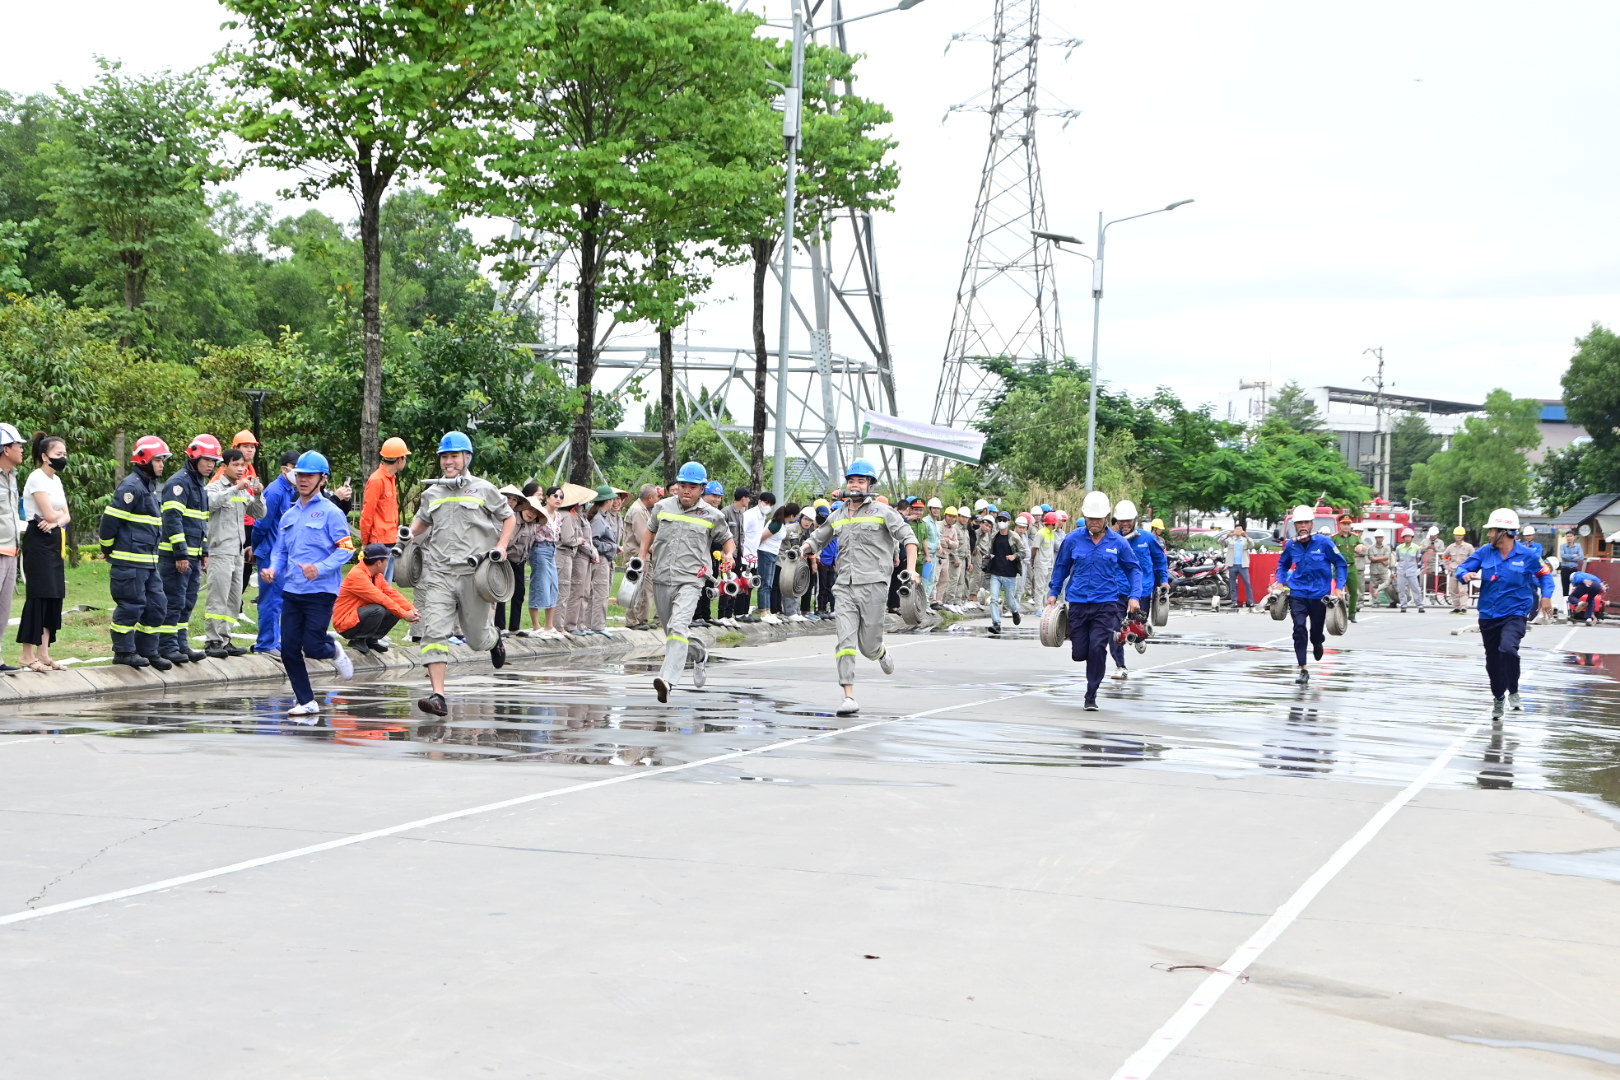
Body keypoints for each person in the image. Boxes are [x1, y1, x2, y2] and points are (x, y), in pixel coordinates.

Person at [408, 430, 516, 716]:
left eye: (454, 455)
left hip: (474, 573)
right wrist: (406, 535)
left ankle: (494, 640)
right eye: (444, 456)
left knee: (475, 639)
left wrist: (502, 546)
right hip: (439, 573)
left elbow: (509, 517)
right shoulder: (432, 493)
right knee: (433, 633)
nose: (448, 461)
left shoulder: (484, 489)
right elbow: (420, 523)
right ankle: (438, 696)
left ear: (467, 457)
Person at [801, 459, 916, 716]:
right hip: (844, 586)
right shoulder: (838, 515)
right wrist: (802, 549)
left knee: (868, 645)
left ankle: (880, 651)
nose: (855, 485)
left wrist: (913, 569)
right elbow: (817, 539)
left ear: (870, 485)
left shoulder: (883, 512)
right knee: (845, 640)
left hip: (874, 584)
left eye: (861, 481)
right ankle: (848, 695)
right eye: (851, 480)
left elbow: (909, 538)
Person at [264, 451, 356, 716]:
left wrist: (320, 568)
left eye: (309, 476)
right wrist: (272, 568)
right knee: (289, 648)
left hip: (321, 591)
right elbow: (280, 550)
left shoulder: (331, 512)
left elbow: (346, 549)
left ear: (322, 479)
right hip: (292, 590)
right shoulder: (289, 515)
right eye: (300, 475)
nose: (303, 480)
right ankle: (306, 701)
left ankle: (334, 649)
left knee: (313, 645)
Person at [637, 461, 734, 703]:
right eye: (683, 485)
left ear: (702, 489)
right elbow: (650, 530)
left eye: (692, 487)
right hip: (662, 577)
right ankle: (700, 654)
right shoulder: (662, 507)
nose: (686, 491)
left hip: (692, 580)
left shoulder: (713, 515)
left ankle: (667, 681)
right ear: (677, 486)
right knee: (672, 632)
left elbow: (727, 540)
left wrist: (729, 555)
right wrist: (641, 556)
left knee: (678, 628)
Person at [1452, 508, 1554, 718]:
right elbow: (1461, 568)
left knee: (1508, 649)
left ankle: (1514, 690)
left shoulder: (1528, 555)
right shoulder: (1485, 553)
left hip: (1516, 612)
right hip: (1489, 614)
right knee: (1493, 661)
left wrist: (1546, 596)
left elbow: (1545, 576)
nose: (1489, 534)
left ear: (1504, 532)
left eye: (1492, 530)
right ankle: (1498, 697)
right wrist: (1466, 574)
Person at [1047, 490, 1143, 711]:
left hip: (1106, 603)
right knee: (1080, 652)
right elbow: (1061, 567)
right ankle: (1081, 651)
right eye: (1090, 518)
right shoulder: (1073, 539)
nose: (1094, 522)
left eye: (1098, 519)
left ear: (1106, 518)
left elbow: (1133, 569)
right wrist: (1054, 592)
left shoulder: (1117, 542)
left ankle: (1091, 694)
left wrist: (1134, 596)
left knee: (1098, 647)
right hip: (1078, 603)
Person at [100, 436, 174, 669]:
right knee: (131, 606)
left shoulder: (148, 487)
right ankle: (123, 651)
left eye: (163, 460)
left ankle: (147, 650)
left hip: (148, 563)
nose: (162, 464)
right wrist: (107, 547)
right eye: (158, 460)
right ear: (144, 460)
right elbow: (109, 522)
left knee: (157, 606)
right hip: (129, 563)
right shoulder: (131, 487)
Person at [157, 434, 223, 665]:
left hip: (193, 556)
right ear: (194, 457)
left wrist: (203, 552)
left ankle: (180, 644)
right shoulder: (179, 483)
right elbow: (173, 520)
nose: (211, 465)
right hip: (175, 557)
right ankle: (167, 645)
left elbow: (201, 522)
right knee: (173, 601)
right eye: (207, 460)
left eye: (214, 461)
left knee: (187, 602)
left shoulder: (199, 485)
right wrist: (181, 553)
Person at [1269, 503, 1348, 685]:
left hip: (1320, 594)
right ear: (1294, 526)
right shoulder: (1291, 545)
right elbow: (1283, 564)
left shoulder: (1324, 542)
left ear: (1312, 524)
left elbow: (1341, 564)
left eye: (1306, 522)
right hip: (1298, 592)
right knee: (1298, 628)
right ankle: (1303, 669)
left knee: (1315, 632)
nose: (1303, 526)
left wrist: (1339, 587)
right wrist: (1280, 582)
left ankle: (1318, 642)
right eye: (1299, 523)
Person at [202, 449, 266, 657]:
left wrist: (258, 495)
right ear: (225, 467)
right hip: (220, 551)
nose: (240, 469)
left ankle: (225, 638)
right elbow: (210, 504)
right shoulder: (214, 487)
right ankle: (212, 640)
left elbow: (259, 513)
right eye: (235, 465)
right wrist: (235, 488)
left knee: (233, 598)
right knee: (217, 598)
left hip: (238, 552)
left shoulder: (242, 491)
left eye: (243, 466)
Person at [18, 432, 69, 672]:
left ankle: (44, 653)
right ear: (45, 456)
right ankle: (27, 655)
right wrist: (56, 518)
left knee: (54, 595)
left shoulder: (56, 481)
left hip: (54, 539)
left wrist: (56, 521)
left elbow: (65, 516)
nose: (63, 458)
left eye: (65, 454)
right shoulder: (36, 478)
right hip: (37, 539)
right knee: (38, 595)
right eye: (58, 454)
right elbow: (48, 514)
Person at [1109, 500, 1167, 678]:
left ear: (1135, 519)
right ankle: (1121, 666)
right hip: (1118, 591)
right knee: (1116, 630)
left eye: (1128, 520)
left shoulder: (1148, 539)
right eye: (1121, 520)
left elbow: (1160, 561)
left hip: (1142, 590)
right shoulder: (1112, 538)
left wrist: (1164, 581)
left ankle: (1140, 638)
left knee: (1137, 628)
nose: (1125, 524)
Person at [251, 451, 301, 658]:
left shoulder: (290, 490)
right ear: (285, 468)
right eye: (296, 467)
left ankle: (275, 640)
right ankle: (265, 644)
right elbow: (261, 524)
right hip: (270, 554)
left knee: (280, 600)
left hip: (282, 556)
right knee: (270, 600)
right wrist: (255, 549)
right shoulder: (275, 491)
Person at [334, 542, 420, 653]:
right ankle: (358, 640)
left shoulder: (377, 575)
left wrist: (412, 610)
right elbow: (380, 598)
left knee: (392, 609)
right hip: (345, 624)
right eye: (387, 560)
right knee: (378, 609)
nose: (388, 563)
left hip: (358, 617)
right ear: (379, 563)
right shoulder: (357, 575)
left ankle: (372, 640)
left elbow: (392, 593)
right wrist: (404, 614)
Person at [360, 436, 410, 581]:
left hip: (390, 541)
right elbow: (367, 514)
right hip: (378, 543)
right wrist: (365, 542)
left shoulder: (390, 479)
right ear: (399, 459)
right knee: (378, 587)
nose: (405, 461)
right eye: (405, 458)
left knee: (386, 587)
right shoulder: (377, 480)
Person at [496, 485, 538, 635]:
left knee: (519, 592)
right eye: (530, 510)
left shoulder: (532, 525)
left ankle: (515, 627)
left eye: (535, 512)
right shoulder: (510, 519)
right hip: (504, 559)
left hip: (519, 562)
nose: (531, 514)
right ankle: (500, 627)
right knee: (501, 592)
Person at [0, 423, 25, 672]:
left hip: (10, 550)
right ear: (5, 449)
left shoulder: (12, 476)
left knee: (3, 610)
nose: (21, 450)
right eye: (18, 445)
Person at [525, 487, 562, 636]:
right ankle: (536, 625)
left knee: (553, 586)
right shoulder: (541, 513)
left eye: (561, 496)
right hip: (539, 548)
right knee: (540, 585)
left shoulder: (558, 516)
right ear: (547, 497)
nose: (558, 498)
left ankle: (549, 625)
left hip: (552, 549)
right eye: (555, 495)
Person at [621, 484, 659, 629]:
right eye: (656, 496)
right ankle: (632, 620)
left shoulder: (646, 510)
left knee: (646, 589)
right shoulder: (637, 510)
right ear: (649, 498)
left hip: (646, 555)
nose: (657, 499)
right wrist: (655, 550)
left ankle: (643, 619)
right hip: (637, 555)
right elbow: (642, 537)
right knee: (636, 587)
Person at [985, 510, 1025, 635]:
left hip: (1009, 574)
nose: (1002, 522)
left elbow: (1024, 552)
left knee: (1010, 599)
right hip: (996, 573)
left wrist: (1015, 556)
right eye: (1000, 520)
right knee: (994, 599)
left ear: (1009, 522)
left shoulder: (1014, 537)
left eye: (1004, 520)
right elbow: (990, 551)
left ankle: (1015, 611)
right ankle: (996, 623)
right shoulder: (994, 536)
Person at [586, 485, 620, 634]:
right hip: (600, 561)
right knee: (600, 593)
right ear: (608, 500)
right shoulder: (599, 519)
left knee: (597, 593)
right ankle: (598, 626)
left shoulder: (602, 516)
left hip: (604, 559)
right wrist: (611, 547)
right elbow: (593, 541)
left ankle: (591, 625)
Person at [554, 488, 588, 635]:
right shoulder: (566, 516)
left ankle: (557, 625)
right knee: (563, 591)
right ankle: (558, 626)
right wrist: (579, 540)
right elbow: (567, 539)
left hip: (563, 555)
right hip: (563, 556)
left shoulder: (562, 514)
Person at [751, 491, 780, 620]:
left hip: (768, 553)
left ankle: (767, 611)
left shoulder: (763, 516)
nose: (768, 506)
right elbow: (759, 537)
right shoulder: (752, 515)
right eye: (766, 502)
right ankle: (763, 611)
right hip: (762, 552)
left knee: (768, 583)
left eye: (771, 504)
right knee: (764, 583)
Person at [1330, 515, 1362, 623]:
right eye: (1344, 524)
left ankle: (1352, 614)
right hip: (1339, 568)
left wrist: (1361, 547)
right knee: (1336, 591)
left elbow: (1363, 546)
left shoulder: (1355, 537)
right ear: (1340, 525)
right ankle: (1335, 613)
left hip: (1351, 567)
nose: (1346, 526)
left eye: (1348, 524)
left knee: (1354, 592)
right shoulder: (1334, 538)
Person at [1443, 526, 1476, 614]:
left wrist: (1470, 568)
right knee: (1453, 590)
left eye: (1460, 535)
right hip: (1453, 571)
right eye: (1457, 535)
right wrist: (1447, 565)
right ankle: (1456, 607)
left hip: (1463, 571)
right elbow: (1445, 556)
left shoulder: (1468, 547)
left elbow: (1474, 558)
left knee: (1462, 590)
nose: (1458, 536)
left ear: (1463, 536)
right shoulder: (1451, 547)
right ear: (1454, 535)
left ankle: (1463, 607)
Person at [1221, 525, 1254, 610]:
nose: (1238, 531)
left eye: (1240, 529)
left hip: (1243, 565)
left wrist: (1246, 536)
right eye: (1237, 529)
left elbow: (1251, 545)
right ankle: (1234, 602)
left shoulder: (1245, 540)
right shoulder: (1230, 540)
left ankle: (1250, 602)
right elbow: (1221, 542)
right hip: (1232, 565)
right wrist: (1228, 535)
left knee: (1248, 583)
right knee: (1233, 585)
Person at [1394, 527, 1425, 613]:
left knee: (1416, 588)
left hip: (1412, 571)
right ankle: (1403, 605)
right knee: (1401, 589)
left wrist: (1413, 567)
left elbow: (1418, 559)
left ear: (1412, 537)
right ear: (1403, 537)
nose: (1407, 538)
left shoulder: (1416, 548)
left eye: (1409, 536)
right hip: (1401, 571)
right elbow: (1398, 559)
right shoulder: (1399, 548)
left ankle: (1420, 605)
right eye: (1406, 536)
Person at [1366, 532, 1393, 606]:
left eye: (1381, 537)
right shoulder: (1371, 548)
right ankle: (1376, 602)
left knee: (1387, 585)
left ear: (1383, 538)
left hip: (1383, 570)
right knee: (1374, 586)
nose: (1379, 539)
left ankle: (1391, 601)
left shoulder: (1387, 548)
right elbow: (1371, 558)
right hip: (1374, 570)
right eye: (1378, 537)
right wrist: (1382, 560)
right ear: (1375, 538)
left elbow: (1387, 557)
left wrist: (1376, 558)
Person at [1559, 531, 1584, 597]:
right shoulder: (1563, 546)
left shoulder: (1578, 546)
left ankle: (1574, 604)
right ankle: (1565, 606)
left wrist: (1568, 557)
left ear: (1574, 537)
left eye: (1570, 536)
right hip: (1565, 569)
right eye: (1567, 536)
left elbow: (1581, 557)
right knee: (1565, 590)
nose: (1569, 538)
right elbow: (1563, 556)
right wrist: (1573, 556)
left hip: (1574, 570)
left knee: (1576, 588)